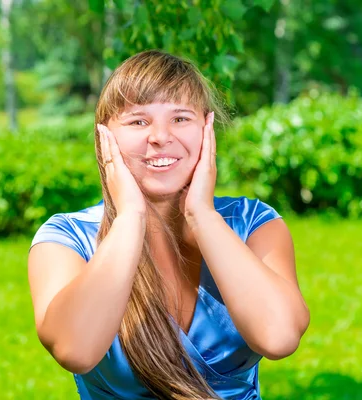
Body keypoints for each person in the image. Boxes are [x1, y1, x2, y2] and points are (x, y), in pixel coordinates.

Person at [27, 50, 310, 400]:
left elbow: (279, 337)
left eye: (180, 118)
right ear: (104, 139)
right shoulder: (65, 238)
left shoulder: (252, 223)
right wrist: (130, 217)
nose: (160, 136)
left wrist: (202, 216)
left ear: (207, 130)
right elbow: (76, 350)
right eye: (138, 122)